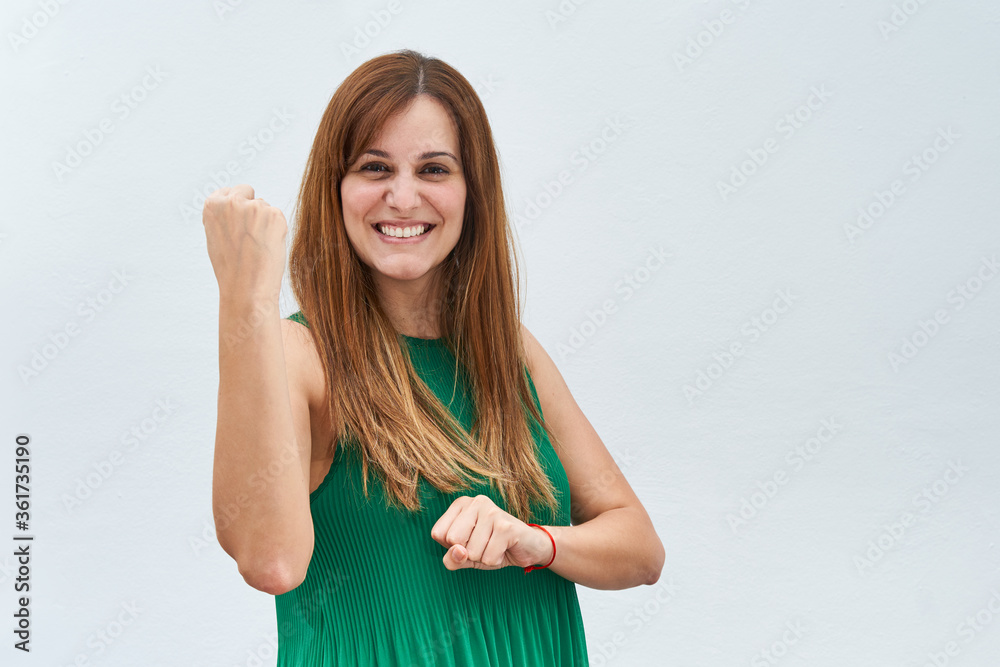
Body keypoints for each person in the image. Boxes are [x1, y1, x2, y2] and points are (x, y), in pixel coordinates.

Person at [203, 48, 664, 666]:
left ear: (472, 192)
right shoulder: (299, 354)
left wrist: (534, 541)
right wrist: (245, 300)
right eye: (374, 167)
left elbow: (640, 547)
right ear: (335, 189)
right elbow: (271, 561)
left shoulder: (510, 353)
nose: (402, 197)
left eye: (434, 170)